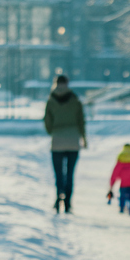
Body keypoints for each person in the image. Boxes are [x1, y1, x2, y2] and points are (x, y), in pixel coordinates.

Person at [44, 74, 86, 213]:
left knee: (58, 174)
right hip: (73, 141)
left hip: (57, 141)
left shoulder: (51, 100)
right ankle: (68, 203)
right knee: (70, 174)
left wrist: (54, 131)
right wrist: (83, 138)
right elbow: (81, 121)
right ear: (67, 83)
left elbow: (47, 121)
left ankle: (59, 196)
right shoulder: (75, 100)